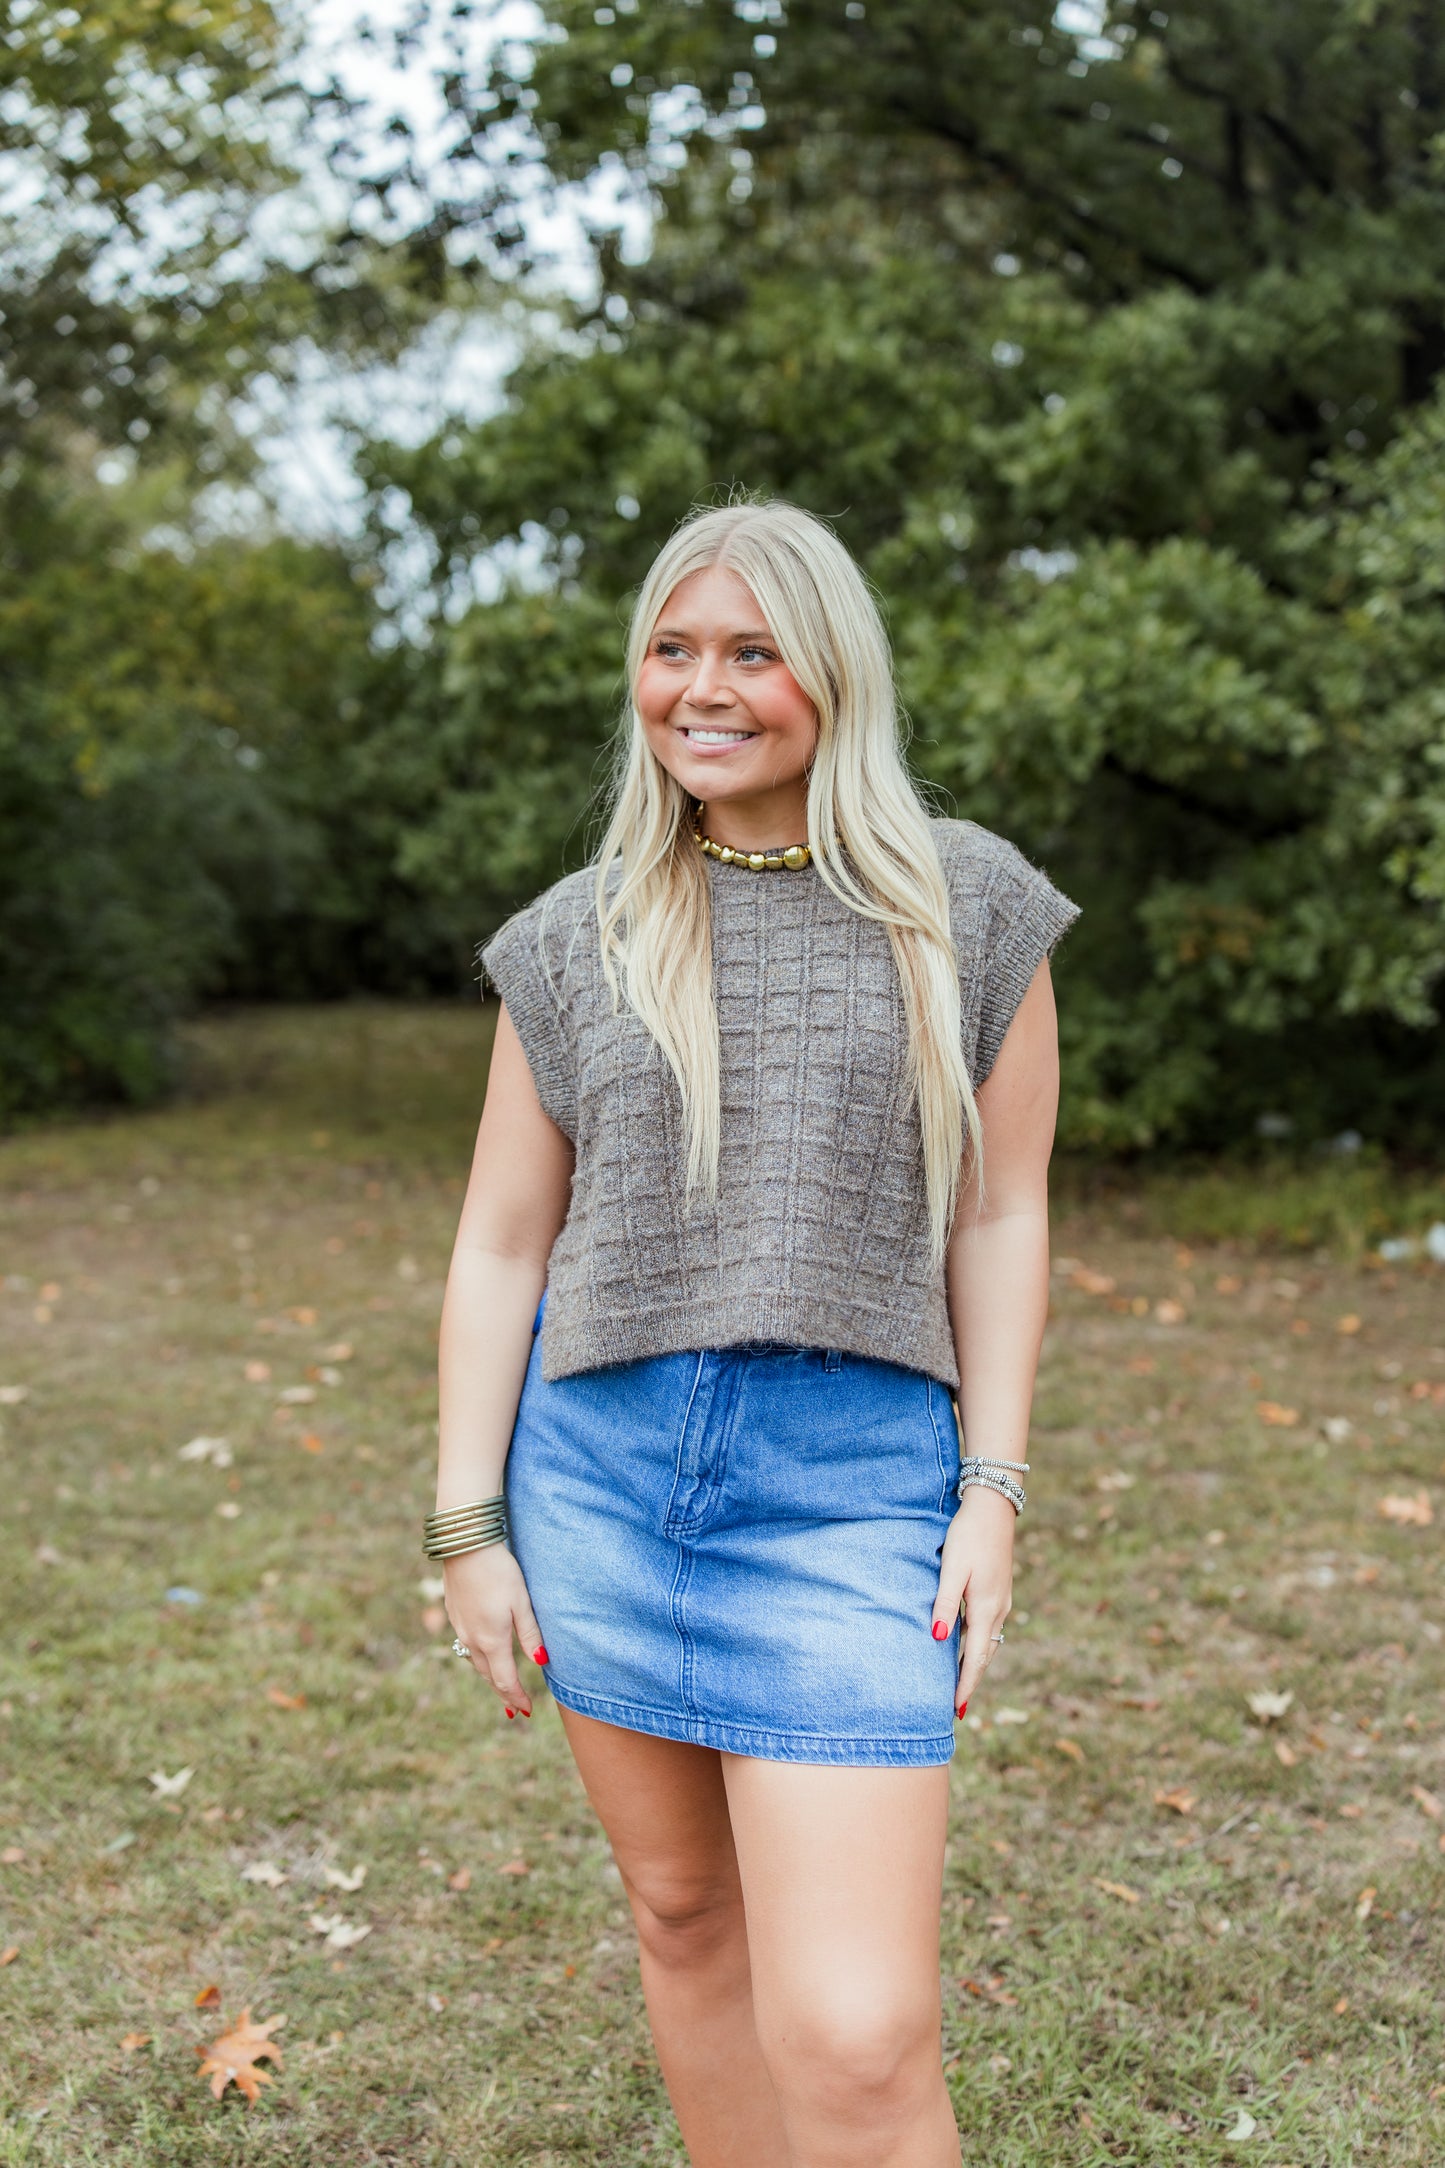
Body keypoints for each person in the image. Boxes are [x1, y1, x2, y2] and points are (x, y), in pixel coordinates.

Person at [433, 498, 1080, 2167]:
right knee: (678, 1918)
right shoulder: (579, 933)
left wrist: (991, 1489)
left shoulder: (969, 905)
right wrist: (466, 1526)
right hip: (598, 1477)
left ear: (831, 671)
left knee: (858, 2039)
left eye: (748, 649)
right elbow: (503, 1245)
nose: (699, 688)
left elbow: (998, 1214)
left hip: (852, 1489)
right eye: (670, 648)